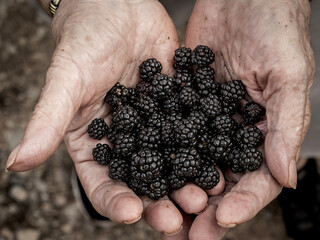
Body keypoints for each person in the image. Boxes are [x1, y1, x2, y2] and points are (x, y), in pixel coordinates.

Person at [6, 0, 315, 239]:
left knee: (282, 105)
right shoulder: (157, 119)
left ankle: (299, 163)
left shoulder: (198, 120)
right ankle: (120, 172)